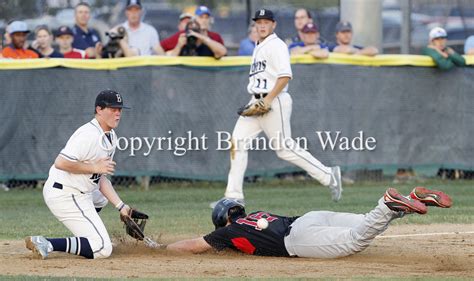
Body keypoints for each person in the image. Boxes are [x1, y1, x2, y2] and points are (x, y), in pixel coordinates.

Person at [209, 9, 342, 208]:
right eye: (258, 22)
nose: (262, 25)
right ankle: (233, 196)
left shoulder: (277, 45)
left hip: (274, 100)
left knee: (284, 149)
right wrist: (258, 101)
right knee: (237, 143)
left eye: (266, 22)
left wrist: (268, 100)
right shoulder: (258, 45)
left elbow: (285, 76)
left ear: (274, 25)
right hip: (256, 100)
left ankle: (329, 175)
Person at [167, 187, 452, 258]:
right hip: (309, 217)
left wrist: (162, 249)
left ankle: (388, 203)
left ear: (223, 220)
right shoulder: (257, 215)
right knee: (366, 222)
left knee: (356, 239)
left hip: (298, 240)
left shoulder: (229, 232)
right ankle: (407, 201)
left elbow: (194, 245)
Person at [25, 90, 136, 260]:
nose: (118, 113)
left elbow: (99, 178)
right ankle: (47, 243)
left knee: (101, 198)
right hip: (65, 193)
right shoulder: (88, 135)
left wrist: (122, 207)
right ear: (99, 109)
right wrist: (94, 166)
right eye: (113, 109)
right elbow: (60, 162)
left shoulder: (110, 136)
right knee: (102, 249)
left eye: (120, 109)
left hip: (80, 191)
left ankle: (88, 235)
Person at [161, 5, 226, 58]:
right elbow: (162, 49)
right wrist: (179, 45)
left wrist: (204, 38)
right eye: (201, 17)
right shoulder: (184, 34)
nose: (204, 20)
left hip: (207, 72)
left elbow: (222, 53)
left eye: (206, 18)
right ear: (194, 19)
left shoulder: (215, 37)